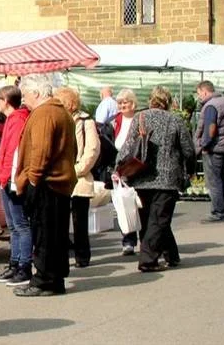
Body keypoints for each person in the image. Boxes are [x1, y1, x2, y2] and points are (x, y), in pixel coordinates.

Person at [117, 87, 196, 272]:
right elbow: (188, 150)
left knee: (151, 219)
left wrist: (119, 167)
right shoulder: (175, 120)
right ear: (168, 101)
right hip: (167, 178)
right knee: (159, 220)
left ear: (150, 100)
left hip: (142, 176)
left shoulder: (140, 117)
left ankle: (172, 255)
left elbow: (128, 146)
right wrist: (189, 171)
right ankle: (148, 261)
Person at [13, 81, 77, 297]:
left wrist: (32, 179)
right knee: (55, 235)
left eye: (25, 95)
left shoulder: (44, 113)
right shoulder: (61, 113)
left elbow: (41, 151)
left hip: (47, 183)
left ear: (37, 92)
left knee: (44, 235)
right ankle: (54, 280)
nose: (23, 100)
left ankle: (43, 281)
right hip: (58, 182)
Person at [0, 85, 35, 286]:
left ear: (5, 100)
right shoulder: (12, 119)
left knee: (20, 224)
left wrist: (6, 176)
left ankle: (24, 265)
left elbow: (13, 151)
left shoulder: (17, 119)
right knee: (14, 225)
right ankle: (15, 262)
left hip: (12, 177)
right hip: (6, 177)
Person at [59, 87, 101, 268]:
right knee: (60, 219)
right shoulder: (58, 119)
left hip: (79, 178)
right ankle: (62, 254)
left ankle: (82, 256)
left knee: (79, 220)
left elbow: (92, 149)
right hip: (60, 177)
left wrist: (78, 169)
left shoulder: (85, 120)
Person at [193, 81, 224, 223]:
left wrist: (203, 145)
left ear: (204, 92)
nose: (199, 97)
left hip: (214, 148)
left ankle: (218, 212)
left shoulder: (211, 105)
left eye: (199, 94)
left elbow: (210, 128)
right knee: (222, 179)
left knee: (214, 182)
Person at [108, 90, 141, 255]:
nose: (122, 105)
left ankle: (146, 240)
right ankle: (128, 241)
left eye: (125, 102)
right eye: (120, 103)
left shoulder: (140, 119)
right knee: (124, 205)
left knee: (139, 206)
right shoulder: (115, 122)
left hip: (137, 168)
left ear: (133, 104)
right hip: (119, 170)